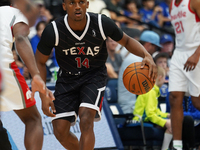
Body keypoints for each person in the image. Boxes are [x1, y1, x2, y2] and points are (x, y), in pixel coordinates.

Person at [35, 0, 157, 149]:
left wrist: (146, 55)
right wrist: (43, 94)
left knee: (86, 119)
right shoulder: (53, 30)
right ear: (64, 6)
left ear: (87, 4)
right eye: (72, 3)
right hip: (67, 78)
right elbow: (39, 62)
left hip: (93, 76)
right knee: (60, 130)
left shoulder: (101, 23)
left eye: (81, 2)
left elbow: (127, 41)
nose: (77, 6)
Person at [0, 1, 54, 150]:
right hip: (2, 64)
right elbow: (21, 39)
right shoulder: (14, 12)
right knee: (33, 119)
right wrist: (35, 74)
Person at [169, 0, 200, 149]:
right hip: (178, 53)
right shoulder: (171, 5)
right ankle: (177, 144)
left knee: (197, 101)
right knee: (174, 97)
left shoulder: (194, 2)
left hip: (196, 52)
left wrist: (196, 54)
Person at [118, 30, 161, 114]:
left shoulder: (138, 58)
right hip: (131, 107)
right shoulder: (135, 60)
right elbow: (141, 88)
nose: (155, 50)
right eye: (155, 47)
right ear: (148, 45)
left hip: (138, 104)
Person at [133, 66, 172, 150]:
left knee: (172, 122)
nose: (165, 81)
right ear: (160, 77)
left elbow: (156, 111)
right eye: (164, 78)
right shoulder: (150, 91)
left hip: (146, 119)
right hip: (141, 121)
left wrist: (167, 115)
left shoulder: (152, 90)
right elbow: (150, 114)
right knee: (172, 125)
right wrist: (164, 122)